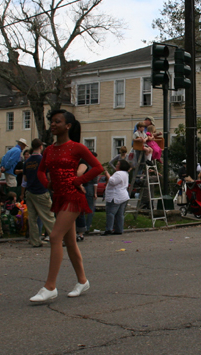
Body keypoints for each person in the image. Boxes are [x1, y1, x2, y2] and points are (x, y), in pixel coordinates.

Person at [31, 110, 103, 302]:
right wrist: (47, 184)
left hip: (74, 197)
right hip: (59, 197)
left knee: (55, 237)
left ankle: (50, 287)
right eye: (52, 122)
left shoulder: (77, 147)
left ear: (68, 126)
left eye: (57, 121)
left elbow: (98, 167)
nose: (53, 124)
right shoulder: (49, 150)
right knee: (70, 242)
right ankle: (82, 281)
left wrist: (77, 180)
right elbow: (40, 171)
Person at [24, 138, 56, 248]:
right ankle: (56, 239)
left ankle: (34, 240)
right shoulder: (43, 160)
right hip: (41, 190)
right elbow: (48, 176)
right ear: (41, 147)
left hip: (30, 191)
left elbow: (25, 178)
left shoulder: (27, 161)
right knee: (48, 216)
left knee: (32, 218)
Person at [104, 160, 130, 235]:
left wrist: (107, 175)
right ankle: (119, 229)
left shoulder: (118, 173)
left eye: (118, 164)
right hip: (123, 196)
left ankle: (109, 229)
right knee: (120, 214)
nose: (116, 165)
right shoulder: (125, 173)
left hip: (115, 196)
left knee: (110, 213)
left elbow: (113, 181)